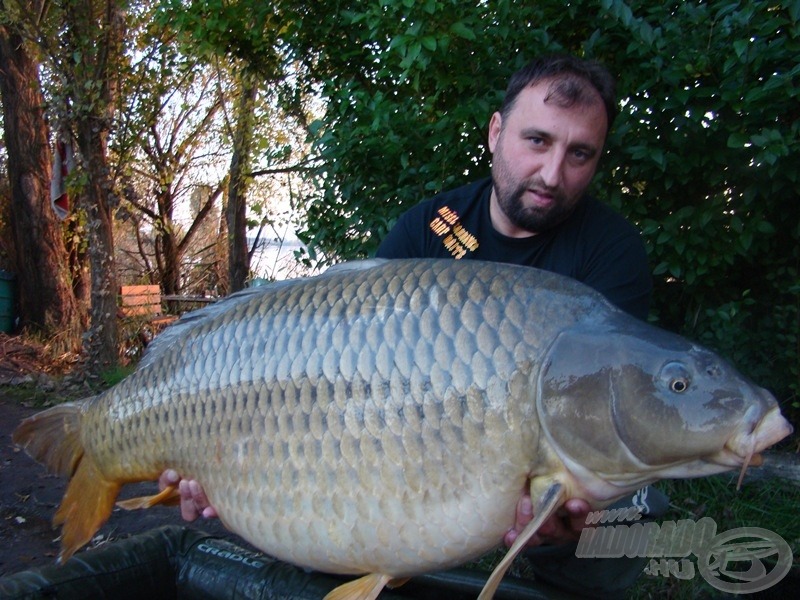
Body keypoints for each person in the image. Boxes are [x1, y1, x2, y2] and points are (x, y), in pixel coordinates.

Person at [161, 54, 667, 597]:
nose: (552, 173)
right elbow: (343, 360)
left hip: (540, 457)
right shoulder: (431, 226)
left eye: (580, 154)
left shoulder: (610, 252)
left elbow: (609, 410)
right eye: (537, 141)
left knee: (610, 528)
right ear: (496, 133)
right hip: (415, 452)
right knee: (337, 523)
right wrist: (219, 463)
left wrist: (578, 515)